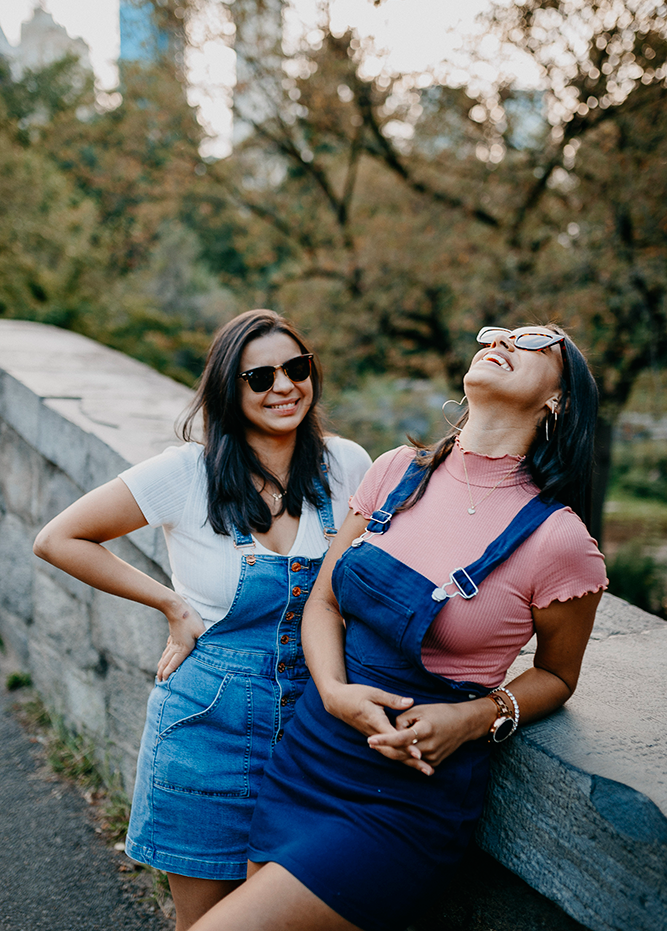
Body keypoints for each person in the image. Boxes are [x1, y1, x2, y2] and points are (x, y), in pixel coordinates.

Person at [187, 323, 608, 931]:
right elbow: (326, 603)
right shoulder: (396, 471)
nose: (504, 341)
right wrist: (332, 691)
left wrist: (470, 718)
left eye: (537, 340)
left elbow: (557, 676)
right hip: (311, 754)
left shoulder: (560, 540)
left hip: (404, 797)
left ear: (559, 401)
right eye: (497, 333)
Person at [32, 309, 371, 931]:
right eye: (260, 377)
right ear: (228, 388)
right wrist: (171, 604)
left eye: (297, 369)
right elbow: (59, 538)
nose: (284, 387)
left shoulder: (346, 466)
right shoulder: (185, 474)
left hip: (317, 734)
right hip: (204, 732)